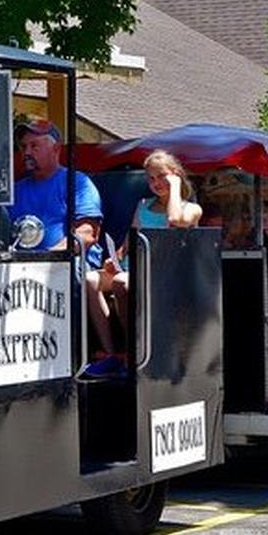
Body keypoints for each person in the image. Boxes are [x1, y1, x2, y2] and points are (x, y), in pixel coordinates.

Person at [84, 150, 202, 377]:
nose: (156, 183)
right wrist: (114, 257)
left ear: (175, 175)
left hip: (161, 273)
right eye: (151, 178)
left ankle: (133, 350)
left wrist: (175, 186)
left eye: (161, 176)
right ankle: (110, 353)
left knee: (122, 282)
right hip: (132, 267)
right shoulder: (143, 205)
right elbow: (129, 241)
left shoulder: (191, 209)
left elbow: (175, 220)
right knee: (91, 280)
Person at [11, 118, 103, 254]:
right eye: (24, 147)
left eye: (34, 146)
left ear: (56, 148)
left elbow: (87, 233)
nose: (27, 153)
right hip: (21, 267)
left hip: (71, 264)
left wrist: (52, 256)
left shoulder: (77, 183)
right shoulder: (14, 190)